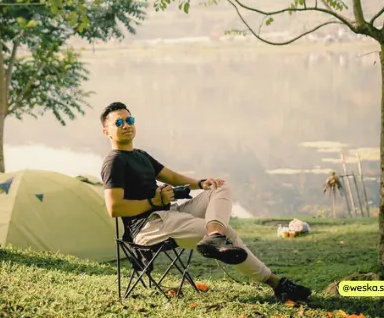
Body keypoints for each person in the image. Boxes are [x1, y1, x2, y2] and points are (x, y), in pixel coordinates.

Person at [99, 101, 311, 302]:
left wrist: (201, 183)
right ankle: (277, 284)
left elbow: (171, 177)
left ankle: (214, 236)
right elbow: (114, 208)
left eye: (130, 120)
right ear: (106, 131)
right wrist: (154, 202)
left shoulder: (140, 155)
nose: (126, 125)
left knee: (220, 186)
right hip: (147, 227)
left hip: (169, 213)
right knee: (228, 234)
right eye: (118, 123)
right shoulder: (114, 162)